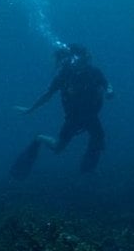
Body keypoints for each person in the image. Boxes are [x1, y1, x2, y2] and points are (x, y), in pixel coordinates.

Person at [10, 44, 114, 179]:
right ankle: (39, 138)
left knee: (99, 140)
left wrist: (110, 91)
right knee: (58, 148)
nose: (84, 61)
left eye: (86, 58)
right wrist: (31, 109)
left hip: (91, 115)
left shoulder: (94, 72)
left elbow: (106, 84)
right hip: (73, 118)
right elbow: (47, 95)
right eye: (81, 58)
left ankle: (87, 171)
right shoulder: (64, 76)